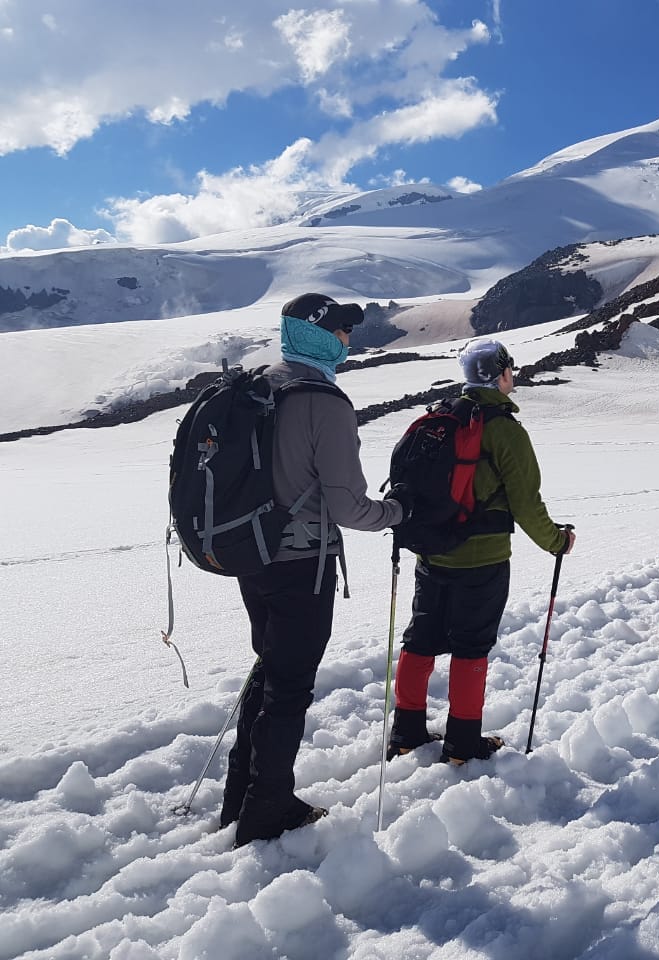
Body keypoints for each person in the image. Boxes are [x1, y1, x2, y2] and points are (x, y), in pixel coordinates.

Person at [225, 292, 408, 847]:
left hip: (249, 553)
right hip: (301, 562)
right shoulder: (324, 401)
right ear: (323, 335)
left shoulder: (260, 387)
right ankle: (266, 809)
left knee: (271, 664)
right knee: (289, 683)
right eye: (344, 331)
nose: (350, 340)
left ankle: (242, 793)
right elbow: (350, 507)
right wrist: (398, 511)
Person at [386, 338, 575, 765]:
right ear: (502, 373)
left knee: (421, 638)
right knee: (471, 646)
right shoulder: (504, 428)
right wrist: (557, 541)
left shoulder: (442, 416)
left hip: (430, 552)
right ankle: (462, 744)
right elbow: (527, 503)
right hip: (482, 560)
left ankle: (406, 733)